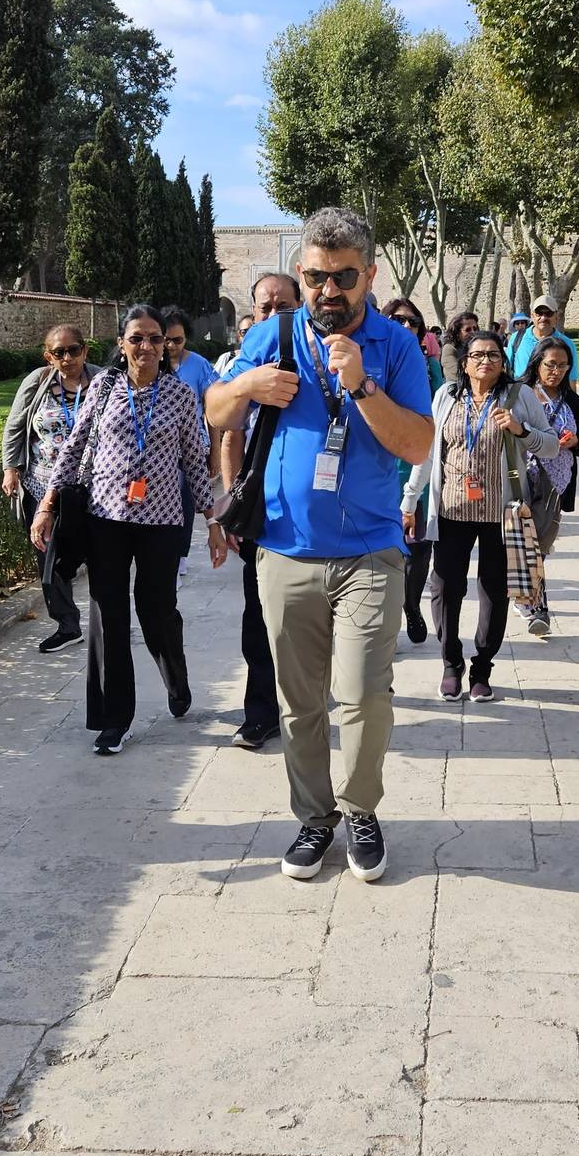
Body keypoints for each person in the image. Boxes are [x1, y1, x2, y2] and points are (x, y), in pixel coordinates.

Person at [206, 206, 434, 884]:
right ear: (300, 274)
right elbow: (216, 411)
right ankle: (314, 816)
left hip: (370, 551)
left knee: (364, 692)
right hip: (285, 550)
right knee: (299, 702)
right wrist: (246, 386)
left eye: (343, 277)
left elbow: (418, 444)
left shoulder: (396, 347)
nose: (328, 290)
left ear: (370, 275)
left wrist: (360, 384)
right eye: (315, 277)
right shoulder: (273, 335)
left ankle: (361, 810)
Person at [33, 304, 227, 754]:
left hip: (161, 522)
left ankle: (175, 679)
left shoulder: (180, 395)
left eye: (155, 338)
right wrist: (47, 504)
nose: (146, 346)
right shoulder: (103, 387)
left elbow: (194, 462)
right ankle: (114, 719)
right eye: (136, 338)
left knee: (157, 612)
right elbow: (73, 448)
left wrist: (212, 520)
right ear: (121, 344)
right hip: (106, 519)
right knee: (109, 616)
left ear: (166, 345)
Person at [405, 330, 558, 701]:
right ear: (464, 362)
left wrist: (521, 430)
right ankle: (450, 663)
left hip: (500, 515)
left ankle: (482, 668)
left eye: (493, 355)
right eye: (477, 355)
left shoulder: (520, 396)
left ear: (502, 362)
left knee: (493, 592)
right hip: (451, 510)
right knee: (445, 589)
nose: (485, 361)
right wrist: (410, 500)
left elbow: (552, 446)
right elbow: (428, 452)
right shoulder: (446, 396)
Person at [221, 269, 301, 750]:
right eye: (265, 307)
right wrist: (232, 501)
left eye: (282, 307)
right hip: (262, 512)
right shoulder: (244, 367)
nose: (272, 315)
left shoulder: (313, 357)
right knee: (259, 617)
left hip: (310, 514)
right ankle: (261, 714)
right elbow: (229, 431)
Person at [1, 323, 96, 652]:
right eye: (59, 352)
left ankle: (108, 619)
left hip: (91, 487)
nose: (67, 358)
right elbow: (15, 426)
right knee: (49, 557)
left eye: (74, 350)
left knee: (99, 553)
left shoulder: (103, 381)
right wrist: (10, 468)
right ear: (48, 356)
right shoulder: (38, 381)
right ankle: (67, 625)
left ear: (85, 350)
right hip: (41, 484)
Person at [519, 335, 579, 637]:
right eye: (550, 364)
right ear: (537, 364)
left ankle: (528, 597)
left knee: (540, 546)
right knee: (526, 543)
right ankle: (536, 606)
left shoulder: (572, 401)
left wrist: (574, 442)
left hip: (556, 485)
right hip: (522, 479)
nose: (556, 371)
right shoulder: (520, 394)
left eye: (563, 365)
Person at [385, 298, 445, 644]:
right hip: (378, 469)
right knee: (382, 549)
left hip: (418, 466)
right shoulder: (371, 360)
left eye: (412, 321)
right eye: (397, 319)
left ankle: (411, 603)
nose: (406, 325)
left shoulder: (430, 367)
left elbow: (439, 413)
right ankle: (389, 616)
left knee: (419, 548)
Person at [162, 306, 219, 580]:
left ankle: (180, 555)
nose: (171, 346)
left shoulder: (199, 365)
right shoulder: (150, 364)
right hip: (158, 450)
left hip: (191, 448)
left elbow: (213, 410)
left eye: (178, 340)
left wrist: (215, 452)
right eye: (166, 340)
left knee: (185, 503)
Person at [509, 296, 579, 383]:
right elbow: (506, 368)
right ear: (532, 316)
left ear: (556, 316)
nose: (543, 318)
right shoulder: (516, 338)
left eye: (548, 313)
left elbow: (571, 380)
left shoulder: (567, 344)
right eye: (539, 313)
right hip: (520, 390)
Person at [441, 311, 480, 387]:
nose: (473, 332)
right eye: (468, 330)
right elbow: (458, 373)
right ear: (457, 333)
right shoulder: (449, 348)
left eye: (475, 329)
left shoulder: (479, 348)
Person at [215, 312, 255, 378]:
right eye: (244, 332)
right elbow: (213, 383)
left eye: (253, 331)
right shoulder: (227, 358)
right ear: (239, 335)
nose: (248, 336)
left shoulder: (267, 361)